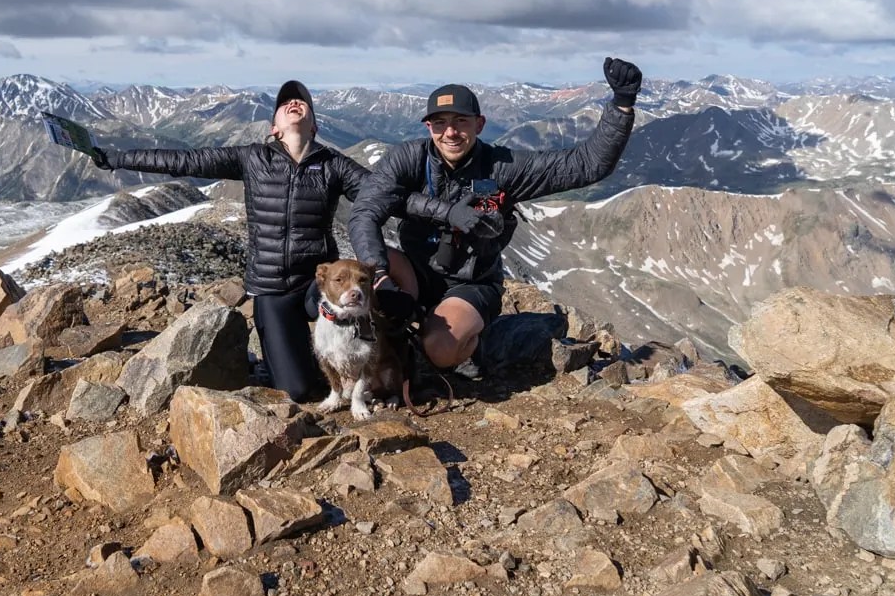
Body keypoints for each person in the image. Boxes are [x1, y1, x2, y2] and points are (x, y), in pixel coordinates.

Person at [87, 80, 442, 402]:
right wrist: (116, 159)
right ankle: (319, 360)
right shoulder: (253, 158)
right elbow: (184, 161)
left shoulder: (333, 164)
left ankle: (388, 356)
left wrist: (446, 212)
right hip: (270, 288)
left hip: (313, 285)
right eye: (285, 101)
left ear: (315, 125)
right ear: (274, 128)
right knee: (300, 390)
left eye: (302, 101)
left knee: (357, 296)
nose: (294, 102)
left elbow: (387, 196)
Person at [347, 57, 642, 374]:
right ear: (428, 127)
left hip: (471, 282)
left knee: (439, 350)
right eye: (440, 123)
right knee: (357, 276)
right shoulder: (408, 158)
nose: (450, 132)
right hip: (415, 271)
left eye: (461, 121)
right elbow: (364, 212)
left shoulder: (502, 167)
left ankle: (471, 342)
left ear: (479, 124)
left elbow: (586, 165)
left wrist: (621, 106)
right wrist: (380, 277)